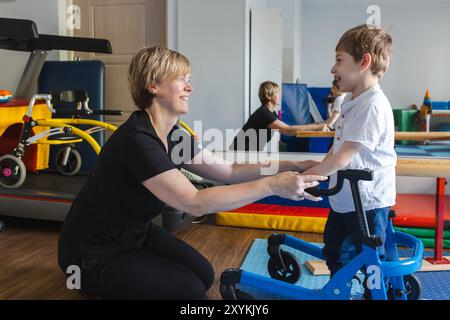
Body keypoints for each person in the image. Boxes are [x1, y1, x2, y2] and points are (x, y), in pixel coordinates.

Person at [58, 46, 327, 300]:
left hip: (136, 234)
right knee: (188, 290)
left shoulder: (173, 134)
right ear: (153, 85)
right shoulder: (138, 140)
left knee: (204, 275)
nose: (190, 87)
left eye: (189, 79)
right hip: (92, 254)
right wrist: (272, 186)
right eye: (182, 79)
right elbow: (193, 202)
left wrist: (290, 165)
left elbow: (229, 170)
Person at [302, 24, 396, 297]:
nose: (333, 69)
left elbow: (345, 156)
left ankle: (376, 294)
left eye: (339, 60)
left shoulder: (373, 105)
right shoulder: (350, 102)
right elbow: (336, 147)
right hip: (345, 198)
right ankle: (339, 288)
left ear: (363, 61)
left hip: (367, 201)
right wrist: (315, 170)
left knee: (371, 259)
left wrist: (309, 178)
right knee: (334, 248)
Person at [231, 81, 332, 151]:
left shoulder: (270, 113)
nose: (280, 95)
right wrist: (317, 127)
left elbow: (287, 130)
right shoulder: (263, 113)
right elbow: (288, 130)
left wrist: (316, 126)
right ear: (268, 95)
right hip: (241, 152)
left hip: (249, 152)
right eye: (277, 93)